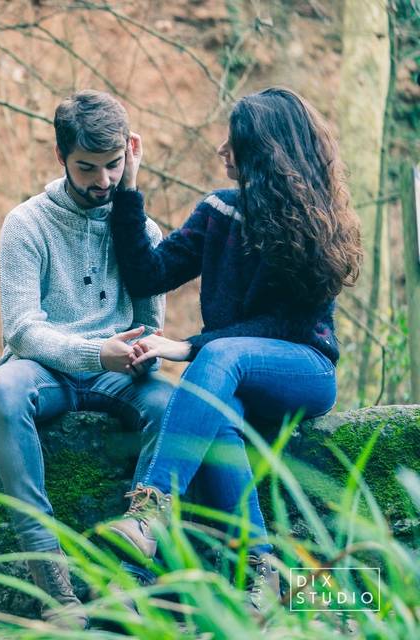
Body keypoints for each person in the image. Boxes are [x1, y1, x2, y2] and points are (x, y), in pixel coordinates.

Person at [105, 87, 363, 614]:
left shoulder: (313, 224)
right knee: (214, 408)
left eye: (236, 141)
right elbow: (148, 273)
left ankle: (148, 517)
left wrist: (189, 345)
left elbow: (285, 324)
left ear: (264, 151)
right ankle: (260, 572)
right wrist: (128, 190)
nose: (223, 149)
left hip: (304, 371)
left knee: (216, 359)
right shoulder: (217, 211)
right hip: (232, 376)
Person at [0, 89, 175, 629]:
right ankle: (53, 578)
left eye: (114, 165)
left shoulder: (144, 229)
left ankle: (127, 584)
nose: (103, 180)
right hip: (46, 370)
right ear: (60, 158)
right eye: (87, 167)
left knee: (177, 408)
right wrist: (96, 352)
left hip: (120, 377)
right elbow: (21, 329)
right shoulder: (26, 223)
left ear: (130, 154)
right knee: (4, 392)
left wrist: (141, 354)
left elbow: (152, 323)